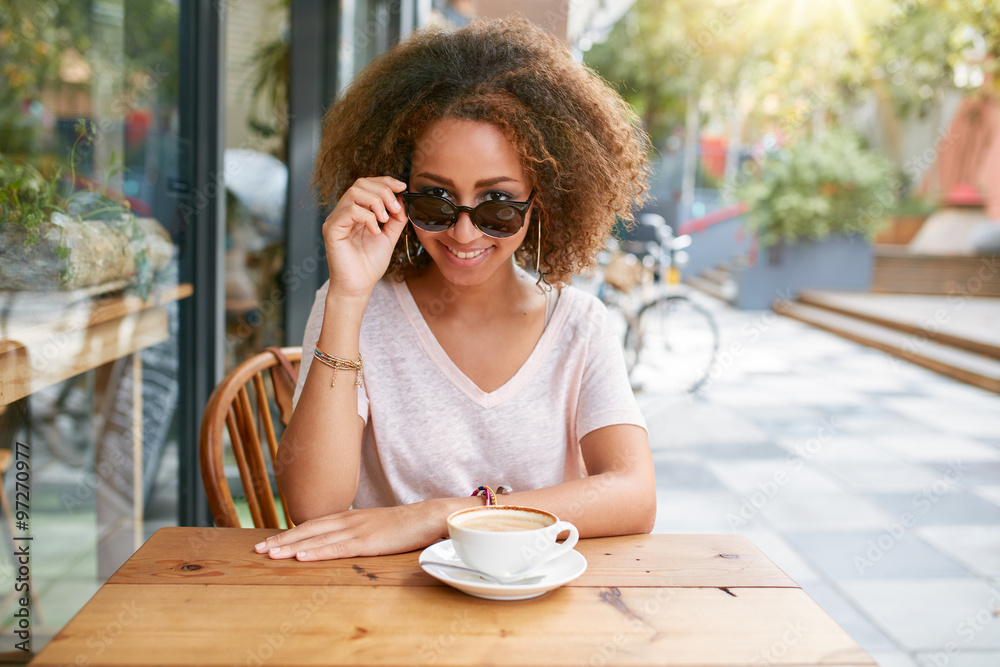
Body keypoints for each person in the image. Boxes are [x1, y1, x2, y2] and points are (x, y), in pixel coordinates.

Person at [255, 17, 656, 562]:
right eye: (434, 202)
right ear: (396, 194)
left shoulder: (580, 325)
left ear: (540, 201)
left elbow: (634, 495)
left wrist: (443, 514)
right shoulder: (354, 305)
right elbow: (313, 506)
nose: (464, 233)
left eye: (496, 205)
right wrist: (348, 298)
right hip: (379, 619)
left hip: (532, 612)